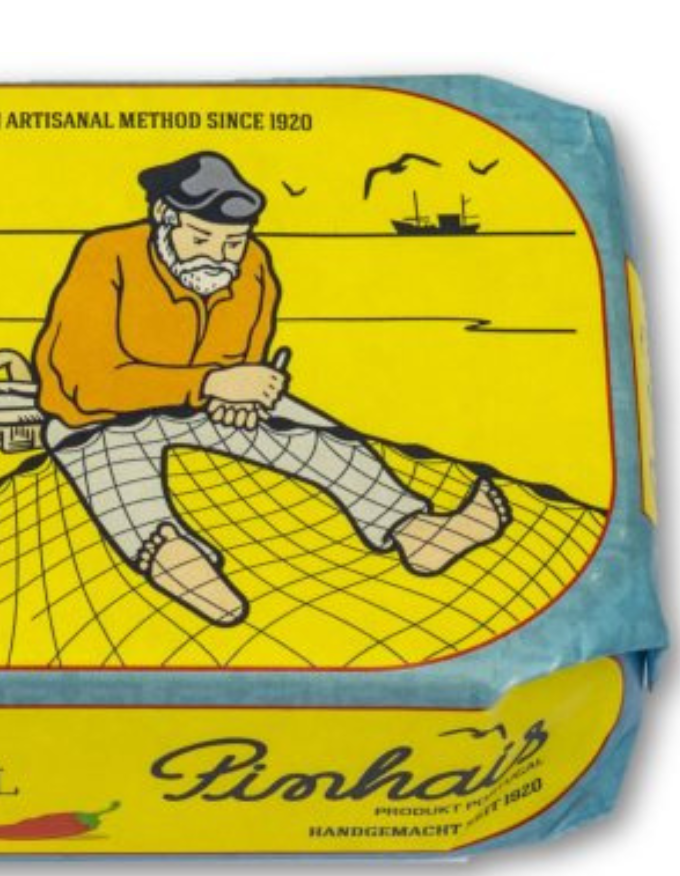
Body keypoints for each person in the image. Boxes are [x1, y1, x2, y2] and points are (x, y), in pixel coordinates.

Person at [32, 150, 509, 625]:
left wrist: (245, 396)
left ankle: (415, 531)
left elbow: (244, 358)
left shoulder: (252, 265)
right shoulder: (106, 254)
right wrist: (214, 383)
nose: (219, 257)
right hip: (95, 419)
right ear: (164, 216)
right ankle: (174, 560)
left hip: (201, 405)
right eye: (201, 238)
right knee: (124, 485)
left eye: (233, 243)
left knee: (326, 441)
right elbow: (84, 382)